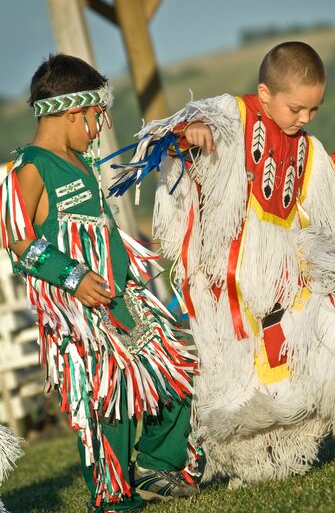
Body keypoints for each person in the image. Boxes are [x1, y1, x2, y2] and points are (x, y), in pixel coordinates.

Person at [111, 42, 335, 486]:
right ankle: (190, 463)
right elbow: (177, 132)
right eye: (297, 108)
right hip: (228, 280)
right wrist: (192, 130)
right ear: (265, 91)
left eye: (314, 110)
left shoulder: (305, 145)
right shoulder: (231, 115)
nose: (305, 119)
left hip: (283, 273)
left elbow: (322, 188)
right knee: (235, 380)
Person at [0, 54, 198, 513]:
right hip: (81, 314)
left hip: (120, 293)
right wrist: (73, 276)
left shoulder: (79, 161)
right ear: (72, 112)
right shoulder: (31, 166)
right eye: (94, 119)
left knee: (176, 372)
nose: (97, 130)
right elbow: (17, 238)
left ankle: (155, 466)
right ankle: (113, 498)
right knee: (109, 404)